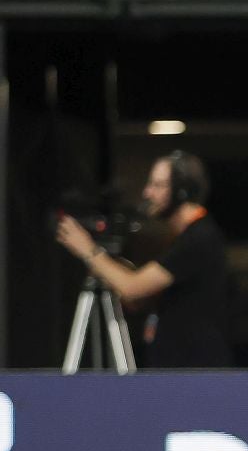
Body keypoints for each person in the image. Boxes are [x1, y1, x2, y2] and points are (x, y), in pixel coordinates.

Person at [54, 152, 231, 368]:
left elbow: (133, 288)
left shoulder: (198, 239)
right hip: (179, 369)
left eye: (158, 185)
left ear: (181, 191)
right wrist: (110, 270)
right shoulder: (188, 237)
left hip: (192, 374)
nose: (148, 192)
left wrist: (87, 249)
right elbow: (141, 297)